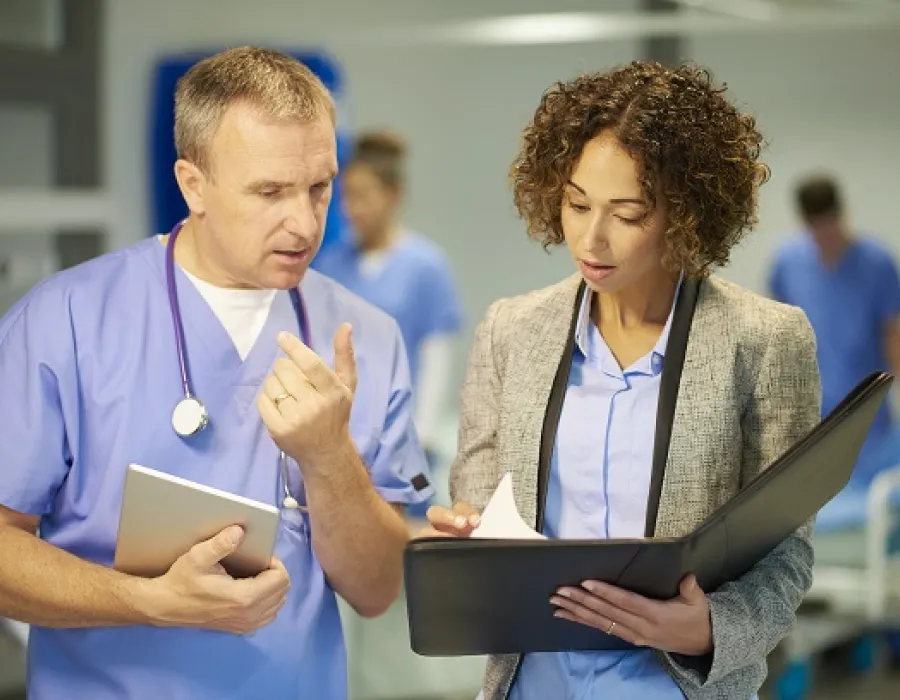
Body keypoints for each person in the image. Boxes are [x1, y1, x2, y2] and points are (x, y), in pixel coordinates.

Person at [0, 47, 433, 700]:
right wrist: (148, 601)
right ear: (192, 184)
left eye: (321, 187)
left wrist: (327, 456)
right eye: (270, 192)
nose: (306, 221)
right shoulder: (64, 321)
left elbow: (376, 590)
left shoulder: (364, 337)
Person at [423, 61, 821, 700]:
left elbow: (786, 554)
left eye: (628, 212)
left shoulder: (765, 340)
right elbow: (476, 493)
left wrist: (711, 629)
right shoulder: (510, 330)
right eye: (577, 203)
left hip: (675, 684)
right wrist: (468, 534)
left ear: (686, 212)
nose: (591, 237)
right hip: (532, 682)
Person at [312, 132, 464, 468]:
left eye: (364, 197)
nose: (353, 209)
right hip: (345, 431)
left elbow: (436, 355)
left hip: (404, 433)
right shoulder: (331, 263)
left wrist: (423, 434)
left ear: (394, 195)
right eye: (347, 197)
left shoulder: (426, 266)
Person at [769, 174, 900, 485]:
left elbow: (893, 335)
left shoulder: (877, 263)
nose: (825, 236)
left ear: (842, 214)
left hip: (868, 413)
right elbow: (778, 330)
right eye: (816, 228)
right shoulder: (788, 263)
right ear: (804, 223)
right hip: (811, 413)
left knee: (876, 505)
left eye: (830, 224)